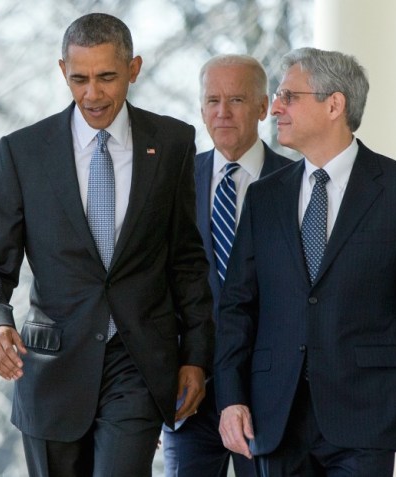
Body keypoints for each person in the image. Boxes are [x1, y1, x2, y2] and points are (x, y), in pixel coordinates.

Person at [0, 13, 214, 477]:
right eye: (79, 79)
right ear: (63, 71)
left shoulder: (173, 143)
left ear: (133, 69)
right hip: (50, 369)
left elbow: (186, 261)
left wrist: (196, 356)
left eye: (106, 77)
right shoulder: (23, 153)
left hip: (137, 363)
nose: (92, 94)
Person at [214, 47, 396, 476]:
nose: (275, 108)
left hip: (366, 415)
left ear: (334, 104)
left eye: (289, 96)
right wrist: (231, 398)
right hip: (275, 415)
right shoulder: (265, 197)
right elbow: (237, 308)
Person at [162, 54, 290, 477]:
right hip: (190, 388)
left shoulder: (298, 185)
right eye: (212, 100)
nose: (222, 111)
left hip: (267, 392)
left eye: (236, 99)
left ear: (263, 106)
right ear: (200, 108)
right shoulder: (172, 184)